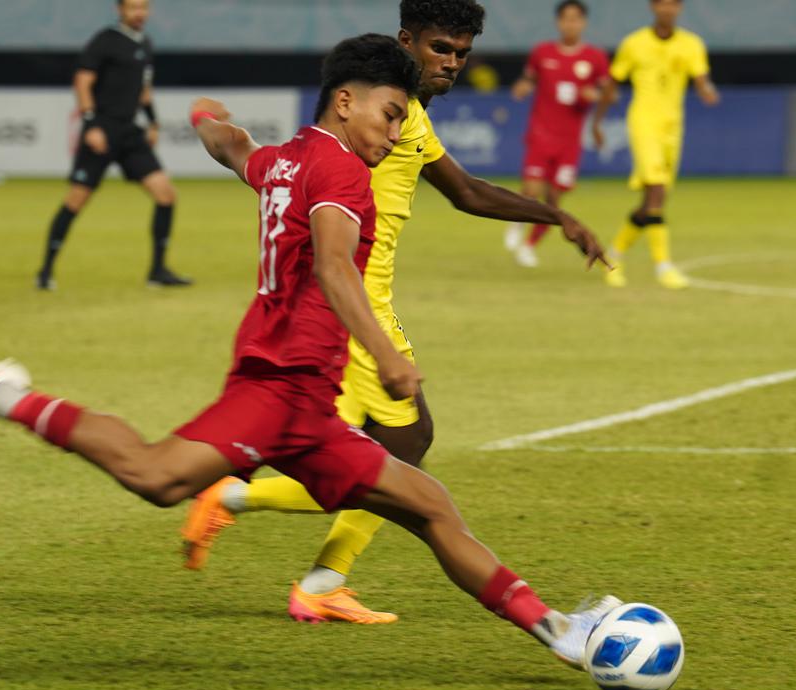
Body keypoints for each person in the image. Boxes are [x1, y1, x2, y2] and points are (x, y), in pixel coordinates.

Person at [0, 33, 617, 671]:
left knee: (429, 506)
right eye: (390, 114)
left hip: (309, 410)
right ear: (346, 102)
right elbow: (338, 269)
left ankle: (563, 631)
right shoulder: (342, 175)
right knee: (156, 477)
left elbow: (231, 146)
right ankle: (0, 392)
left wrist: (203, 119)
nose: (396, 130)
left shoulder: (285, 160)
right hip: (277, 391)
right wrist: (388, 355)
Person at [180, 0, 607, 626]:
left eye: (462, 53)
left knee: (390, 446)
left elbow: (465, 192)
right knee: (392, 449)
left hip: (364, 302)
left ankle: (287, 543)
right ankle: (264, 522)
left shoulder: (406, 119)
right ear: (407, 41)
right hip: (348, 306)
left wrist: (555, 215)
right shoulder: (377, 120)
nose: (452, 63)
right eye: (440, 49)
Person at [36, 0, 191, 291]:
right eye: (133, 8)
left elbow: (143, 89)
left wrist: (153, 122)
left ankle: (157, 271)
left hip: (130, 133)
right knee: (76, 199)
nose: (140, 13)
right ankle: (45, 270)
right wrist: (91, 124)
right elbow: (82, 82)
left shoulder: (145, 43)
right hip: (102, 131)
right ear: (120, 9)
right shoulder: (105, 40)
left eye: (144, 8)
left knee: (165, 194)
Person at [591, 0, 719, 290]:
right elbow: (613, 84)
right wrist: (596, 123)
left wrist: (707, 90)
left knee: (652, 203)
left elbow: (701, 79)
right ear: (653, 6)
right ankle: (663, 266)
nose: (667, 8)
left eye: (673, 3)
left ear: (679, 8)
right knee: (657, 192)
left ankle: (612, 256)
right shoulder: (634, 43)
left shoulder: (691, 44)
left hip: (673, 128)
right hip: (643, 123)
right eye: (662, 3)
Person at [502, 0, 611, 268]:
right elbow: (529, 79)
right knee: (531, 190)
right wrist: (522, 87)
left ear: (583, 23)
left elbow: (609, 93)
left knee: (553, 201)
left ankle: (529, 246)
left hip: (569, 142)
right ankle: (516, 224)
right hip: (541, 134)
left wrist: (595, 102)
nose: (570, 24)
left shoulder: (594, 58)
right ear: (558, 22)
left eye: (576, 19)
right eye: (566, 19)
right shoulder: (543, 53)